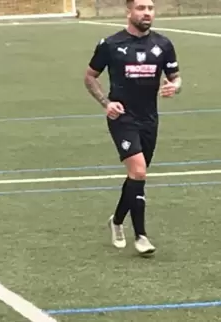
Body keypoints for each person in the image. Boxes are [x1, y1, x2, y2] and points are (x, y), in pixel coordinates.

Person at [83, 0, 181, 256]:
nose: (147, 12)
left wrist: (175, 86)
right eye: (141, 8)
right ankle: (141, 236)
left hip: (150, 119)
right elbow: (90, 76)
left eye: (150, 8)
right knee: (138, 171)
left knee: (136, 176)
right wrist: (106, 102)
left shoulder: (164, 44)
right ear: (129, 11)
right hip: (122, 118)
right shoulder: (110, 44)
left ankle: (116, 221)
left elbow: (175, 77)